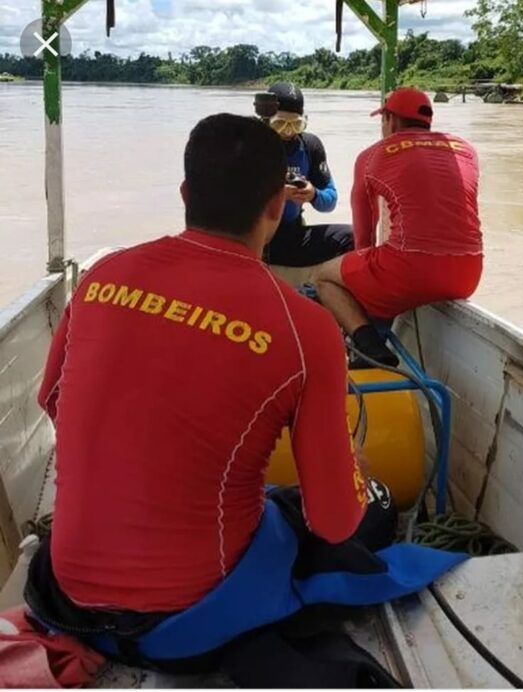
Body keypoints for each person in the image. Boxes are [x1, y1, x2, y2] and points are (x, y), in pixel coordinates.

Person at [25, 113, 464, 667]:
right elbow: (334, 521)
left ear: (185, 192)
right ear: (277, 205)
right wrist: (353, 471)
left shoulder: (101, 278)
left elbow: (53, 401)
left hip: (68, 590)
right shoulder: (304, 327)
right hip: (190, 616)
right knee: (368, 510)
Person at [315, 87, 483, 366]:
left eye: (383, 119)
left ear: (390, 120)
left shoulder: (372, 155)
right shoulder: (466, 150)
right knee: (387, 266)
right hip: (468, 275)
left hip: (409, 271)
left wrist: (363, 279)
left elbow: (365, 234)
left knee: (323, 276)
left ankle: (369, 347)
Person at [262, 82, 353, 267]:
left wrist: (313, 195)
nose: (288, 132)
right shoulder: (249, 145)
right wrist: (278, 195)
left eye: (296, 125)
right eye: (280, 124)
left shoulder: (310, 146)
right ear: (266, 119)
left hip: (291, 237)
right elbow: (231, 203)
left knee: (353, 237)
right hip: (254, 240)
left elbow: (331, 200)